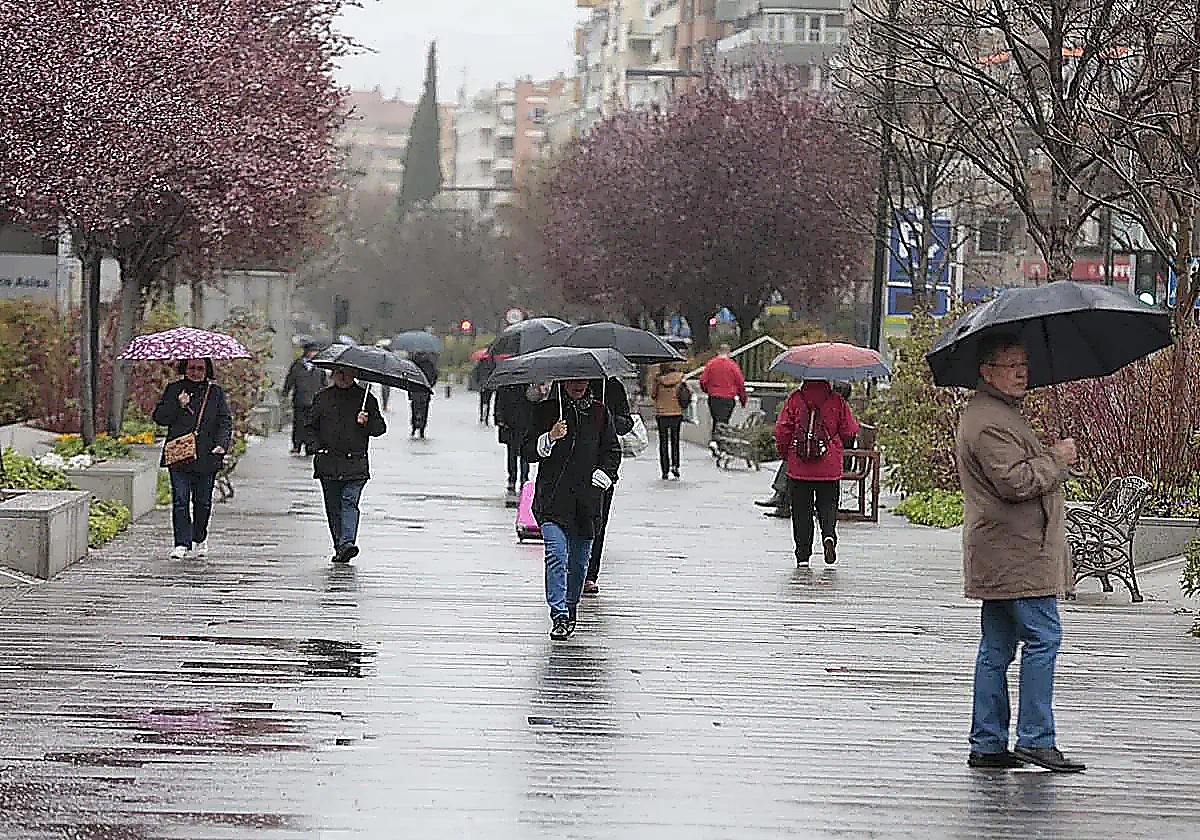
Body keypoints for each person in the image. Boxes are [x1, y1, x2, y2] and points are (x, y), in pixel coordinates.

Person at [956, 333, 1085, 773]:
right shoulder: (988, 421)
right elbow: (1017, 483)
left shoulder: (997, 413)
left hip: (1005, 552)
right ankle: (1035, 738)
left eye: (1023, 364)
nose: (1022, 372)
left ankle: (989, 743)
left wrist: (1048, 456)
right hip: (1015, 553)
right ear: (987, 371)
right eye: (1011, 365)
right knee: (1043, 638)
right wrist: (1057, 459)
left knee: (997, 646)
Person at [523, 379, 620, 640]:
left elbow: (612, 451)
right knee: (555, 553)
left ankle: (570, 605)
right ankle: (559, 614)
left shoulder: (600, 412)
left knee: (578, 564)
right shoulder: (547, 411)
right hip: (553, 500)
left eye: (583, 379)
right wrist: (550, 437)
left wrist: (604, 474)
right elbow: (528, 450)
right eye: (573, 379)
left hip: (586, 503)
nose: (578, 384)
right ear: (563, 381)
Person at [154, 358, 233, 560]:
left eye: (200, 368)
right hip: (179, 455)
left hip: (207, 455)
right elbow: (160, 417)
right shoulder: (174, 389)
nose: (195, 372)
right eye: (191, 368)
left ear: (207, 370)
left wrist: (221, 444)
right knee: (180, 499)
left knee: (203, 501)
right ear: (184, 369)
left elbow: (224, 421)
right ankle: (181, 542)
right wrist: (178, 405)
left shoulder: (215, 393)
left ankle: (199, 537)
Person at [307, 366, 387, 564]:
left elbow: (379, 429)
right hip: (328, 462)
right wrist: (316, 447)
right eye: (337, 373)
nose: (341, 377)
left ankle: (348, 542)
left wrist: (366, 422)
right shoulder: (322, 397)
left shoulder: (366, 399)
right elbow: (309, 426)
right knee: (333, 507)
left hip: (355, 463)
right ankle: (340, 546)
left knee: (350, 501)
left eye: (345, 373)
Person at [774, 379, 858, 567]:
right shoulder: (837, 400)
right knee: (828, 505)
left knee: (801, 511)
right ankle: (828, 536)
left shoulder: (795, 399)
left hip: (799, 466)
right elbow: (850, 430)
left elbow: (782, 429)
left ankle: (803, 555)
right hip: (829, 466)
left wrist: (785, 452)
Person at [758, 382, 853, 519]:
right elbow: (849, 431)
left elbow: (847, 436)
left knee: (795, 458)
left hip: (831, 458)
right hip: (829, 458)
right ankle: (782, 500)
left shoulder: (835, 404)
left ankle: (781, 498)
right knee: (798, 455)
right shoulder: (838, 404)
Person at [583, 377, 635, 595]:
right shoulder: (564, 384)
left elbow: (627, 422)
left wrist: (608, 421)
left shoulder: (612, 387)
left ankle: (590, 574)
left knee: (597, 522)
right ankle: (571, 569)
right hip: (569, 470)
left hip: (603, 468)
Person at [699, 344, 747, 453]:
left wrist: (708, 390)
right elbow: (740, 384)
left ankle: (715, 442)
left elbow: (703, 381)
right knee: (724, 422)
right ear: (729, 352)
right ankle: (720, 445)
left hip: (714, 397)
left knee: (716, 420)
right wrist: (743, 399)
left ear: (718, 352)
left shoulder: (711, 364)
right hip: (728, 398)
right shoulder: (732, 365)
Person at [281, 342, 326, 455]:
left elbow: (324, 383)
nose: (313, 353)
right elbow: (290, 380)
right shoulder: (298, 365)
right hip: (300, 399)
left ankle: (310, 446)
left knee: (313, 425)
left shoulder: (319, 366)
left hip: (315, 400)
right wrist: (285, 392)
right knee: (299, 424)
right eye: (311, 351)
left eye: (315, 351)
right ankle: (297, 445)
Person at [495, 383, 534, 497]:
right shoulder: (505, 385)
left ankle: (522, 479)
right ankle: (514, 479)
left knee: (522, 453)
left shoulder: (528, 385)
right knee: (513, 453)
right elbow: (499, 403)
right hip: (511, 424)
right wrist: (500, 419)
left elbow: (534, 403)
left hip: (524, 424)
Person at [651, 363, 685, 480]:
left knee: (663, 442)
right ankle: (675, 465)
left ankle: (664, 470)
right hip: (676, 412)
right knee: (675, 440)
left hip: (662, 413)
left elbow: (653, 395)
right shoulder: (680, 377)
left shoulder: (658, 379)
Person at [409, 351, 438, 437]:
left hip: (415, 389)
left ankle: (414, 426)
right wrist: (430, 385)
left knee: (414, 408)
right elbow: (434, 376)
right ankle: (422, 428)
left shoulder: (413, 363)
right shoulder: (430, 364)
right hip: (425, 389)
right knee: (424, 409)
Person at [476, 356, 497, 424]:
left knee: (482, 401)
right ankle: (486, 417)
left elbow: (476, 373)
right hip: (489, 385)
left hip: (482, 385)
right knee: (488, 402)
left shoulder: (480, 363)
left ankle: (482, 416)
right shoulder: (493, 363)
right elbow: (494, 374)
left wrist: (478, 383)